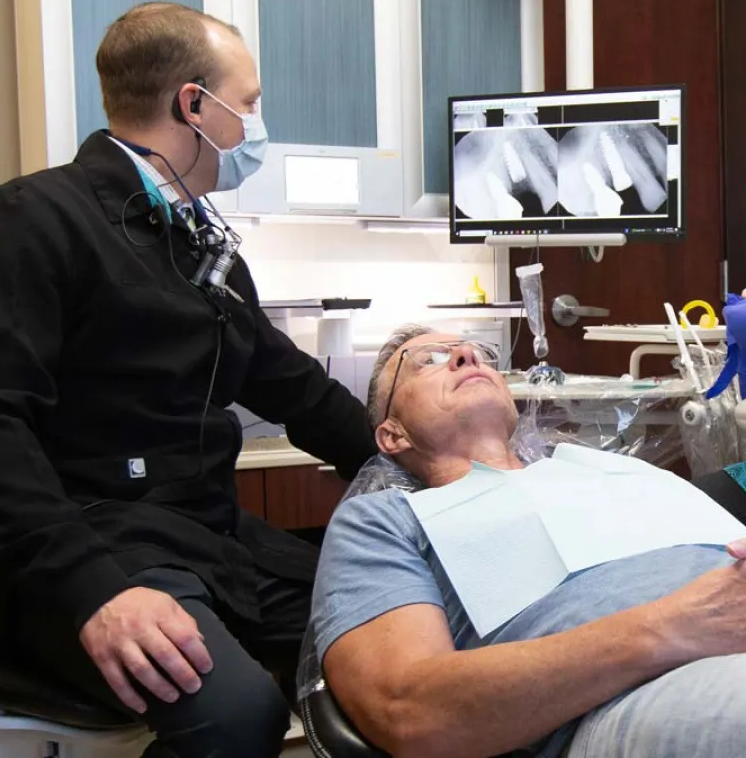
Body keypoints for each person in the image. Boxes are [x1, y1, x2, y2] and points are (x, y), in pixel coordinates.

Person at [0, 2, 377, 758]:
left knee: (401, 630)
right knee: (238, 715)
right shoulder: (25, 220)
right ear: (194, 105)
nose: (255, 126)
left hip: (207, 542)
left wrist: (421, 472)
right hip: (84, 555)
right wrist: (94, 591)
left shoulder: (203, 245)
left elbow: (289, 384)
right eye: (252, 102)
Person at [312, 324, 746, 758]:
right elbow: (407, 712)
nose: (466, 354)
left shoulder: (608, 472)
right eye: (429, 361)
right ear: (394, 434)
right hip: (637, 696)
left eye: (476, 352)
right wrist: (679, 625)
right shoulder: (384, 520)